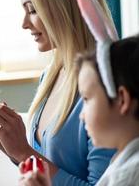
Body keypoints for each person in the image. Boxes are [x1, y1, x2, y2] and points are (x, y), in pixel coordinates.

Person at [0, 0, 116, 184]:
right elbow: (39, 161)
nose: (24, 24)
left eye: (32, 10)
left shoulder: (105, 87)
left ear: (64, 8)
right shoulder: (50, 75)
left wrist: (23, 152)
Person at [19, 35, 139, 186]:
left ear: (122, 100)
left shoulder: (128, 176)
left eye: (87, 99)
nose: (81, 115)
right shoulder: (123, 162)